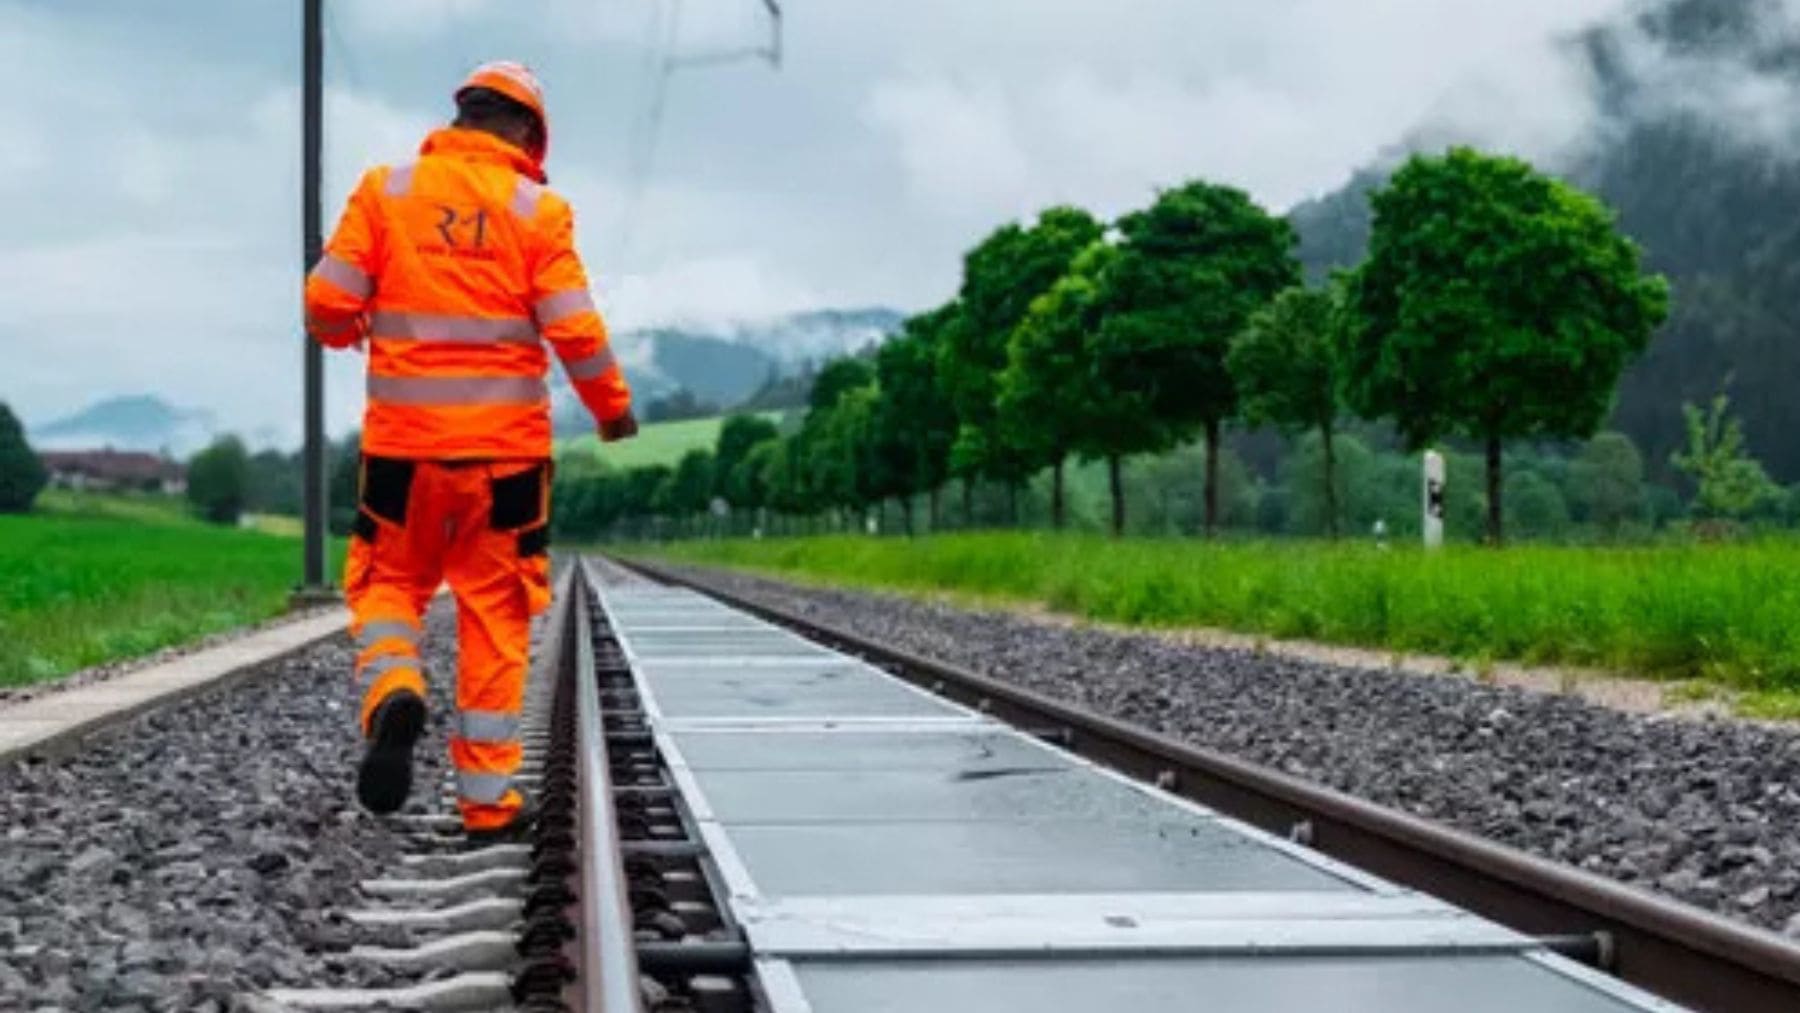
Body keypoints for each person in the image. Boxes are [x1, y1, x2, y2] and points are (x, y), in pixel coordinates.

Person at [303, 61, 636, 840]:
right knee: (496, 615)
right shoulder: (538, 210)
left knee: (387, 585)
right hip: (506, 466)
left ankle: (392, 688)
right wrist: (613, 411)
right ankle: (487, 804)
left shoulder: (386, 191)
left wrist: (348, 329)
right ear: (526, 133)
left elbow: (326, 303)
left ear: (460, 118)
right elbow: (575, 329)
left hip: (402, 458)